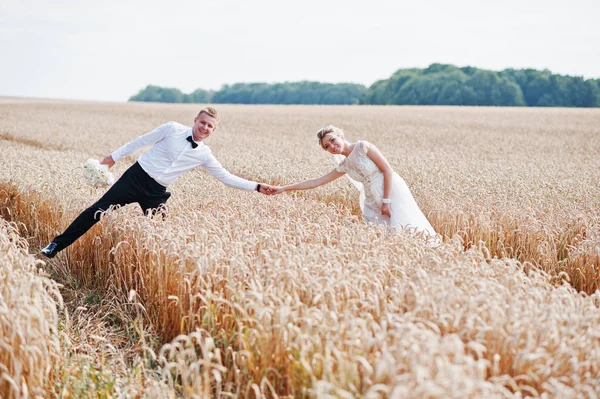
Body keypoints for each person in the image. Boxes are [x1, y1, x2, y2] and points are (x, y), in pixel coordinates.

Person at [40, 107, 276, 258]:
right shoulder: (172, 128)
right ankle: (55, 246)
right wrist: (112, 158)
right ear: (195, 120)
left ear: (214, 130)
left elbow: (226, 177)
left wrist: (256, 186)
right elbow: (140, 142)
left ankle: (147, 273)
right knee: (97, 211)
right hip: (135, 177)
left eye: (210, 126)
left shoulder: (204, 154)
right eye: (202, 122)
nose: (205, 128)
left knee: (161, 235)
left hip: (156, 192)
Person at [272, 125, 437, 240]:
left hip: (390, 191)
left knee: (405, 226)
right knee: (383, 234)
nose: (332, 146)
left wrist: (386, 201)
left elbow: (387, 170)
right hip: (372, 199)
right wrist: (283, 188)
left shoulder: (363, 146)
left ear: (341, 136)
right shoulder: (344, 165)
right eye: (327, 146)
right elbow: (317, 181)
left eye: (332, 140)